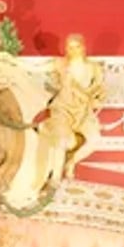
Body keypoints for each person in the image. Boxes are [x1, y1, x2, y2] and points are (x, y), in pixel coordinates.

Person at [38, 33, 105, 187]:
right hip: (62, 109)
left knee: (94, 139)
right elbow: (36, 68)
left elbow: (100, 91)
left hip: (83, 112)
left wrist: (97, 99)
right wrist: (11, 61)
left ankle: (71, 162)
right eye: (70, 47)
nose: (73, 50)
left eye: (77, 47)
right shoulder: (60, 64)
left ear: (83, 47)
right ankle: (55, 178)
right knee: (61, 141)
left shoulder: (94, 68)